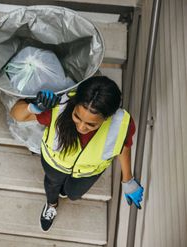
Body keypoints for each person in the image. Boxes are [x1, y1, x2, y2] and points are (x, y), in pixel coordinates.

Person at [10, 76, 144, 232]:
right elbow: (16, 114)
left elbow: (124, 147)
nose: (81, 127)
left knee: (73, 194)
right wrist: (34, 107)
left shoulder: (122, 124)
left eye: (91, 124)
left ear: (107, 118)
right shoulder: (59, 106)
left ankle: (65, 192)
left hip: (88, 172)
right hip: (54, 163)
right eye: (77, 117)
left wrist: (127, 179)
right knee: (52, 185)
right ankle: (52, 204)